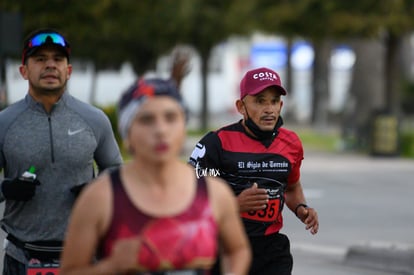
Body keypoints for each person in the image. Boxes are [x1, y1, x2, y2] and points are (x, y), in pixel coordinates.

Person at [59, 77, 251, 275]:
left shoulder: (214, 193)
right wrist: (111, 267)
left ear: (183, 127)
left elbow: (237, 250)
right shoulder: (101, 196)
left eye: (170, 118)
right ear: (127, 134)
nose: (161, 130)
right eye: (146, 120)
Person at [0, 28, 123, 274]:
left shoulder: (94, 119)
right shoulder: (4, 123)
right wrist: (6, 188)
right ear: (24, 71)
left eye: (58, 59)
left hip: (84, 254)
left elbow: (116, 170)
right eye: (40, 59)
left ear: (68, 71)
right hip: (21, 256)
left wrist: (97, 189)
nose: (50, 65)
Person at [188, 67, 319, 275]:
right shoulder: (217, 144)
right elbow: (190, 199)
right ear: (241, 106)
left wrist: (302, 208)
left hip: (271, 250)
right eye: (260, 101)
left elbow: (292, 187)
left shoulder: (291, 143)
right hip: (225, 246)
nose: (269, 109)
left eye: (274, 101)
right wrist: (234, 205)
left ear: (281, 105)